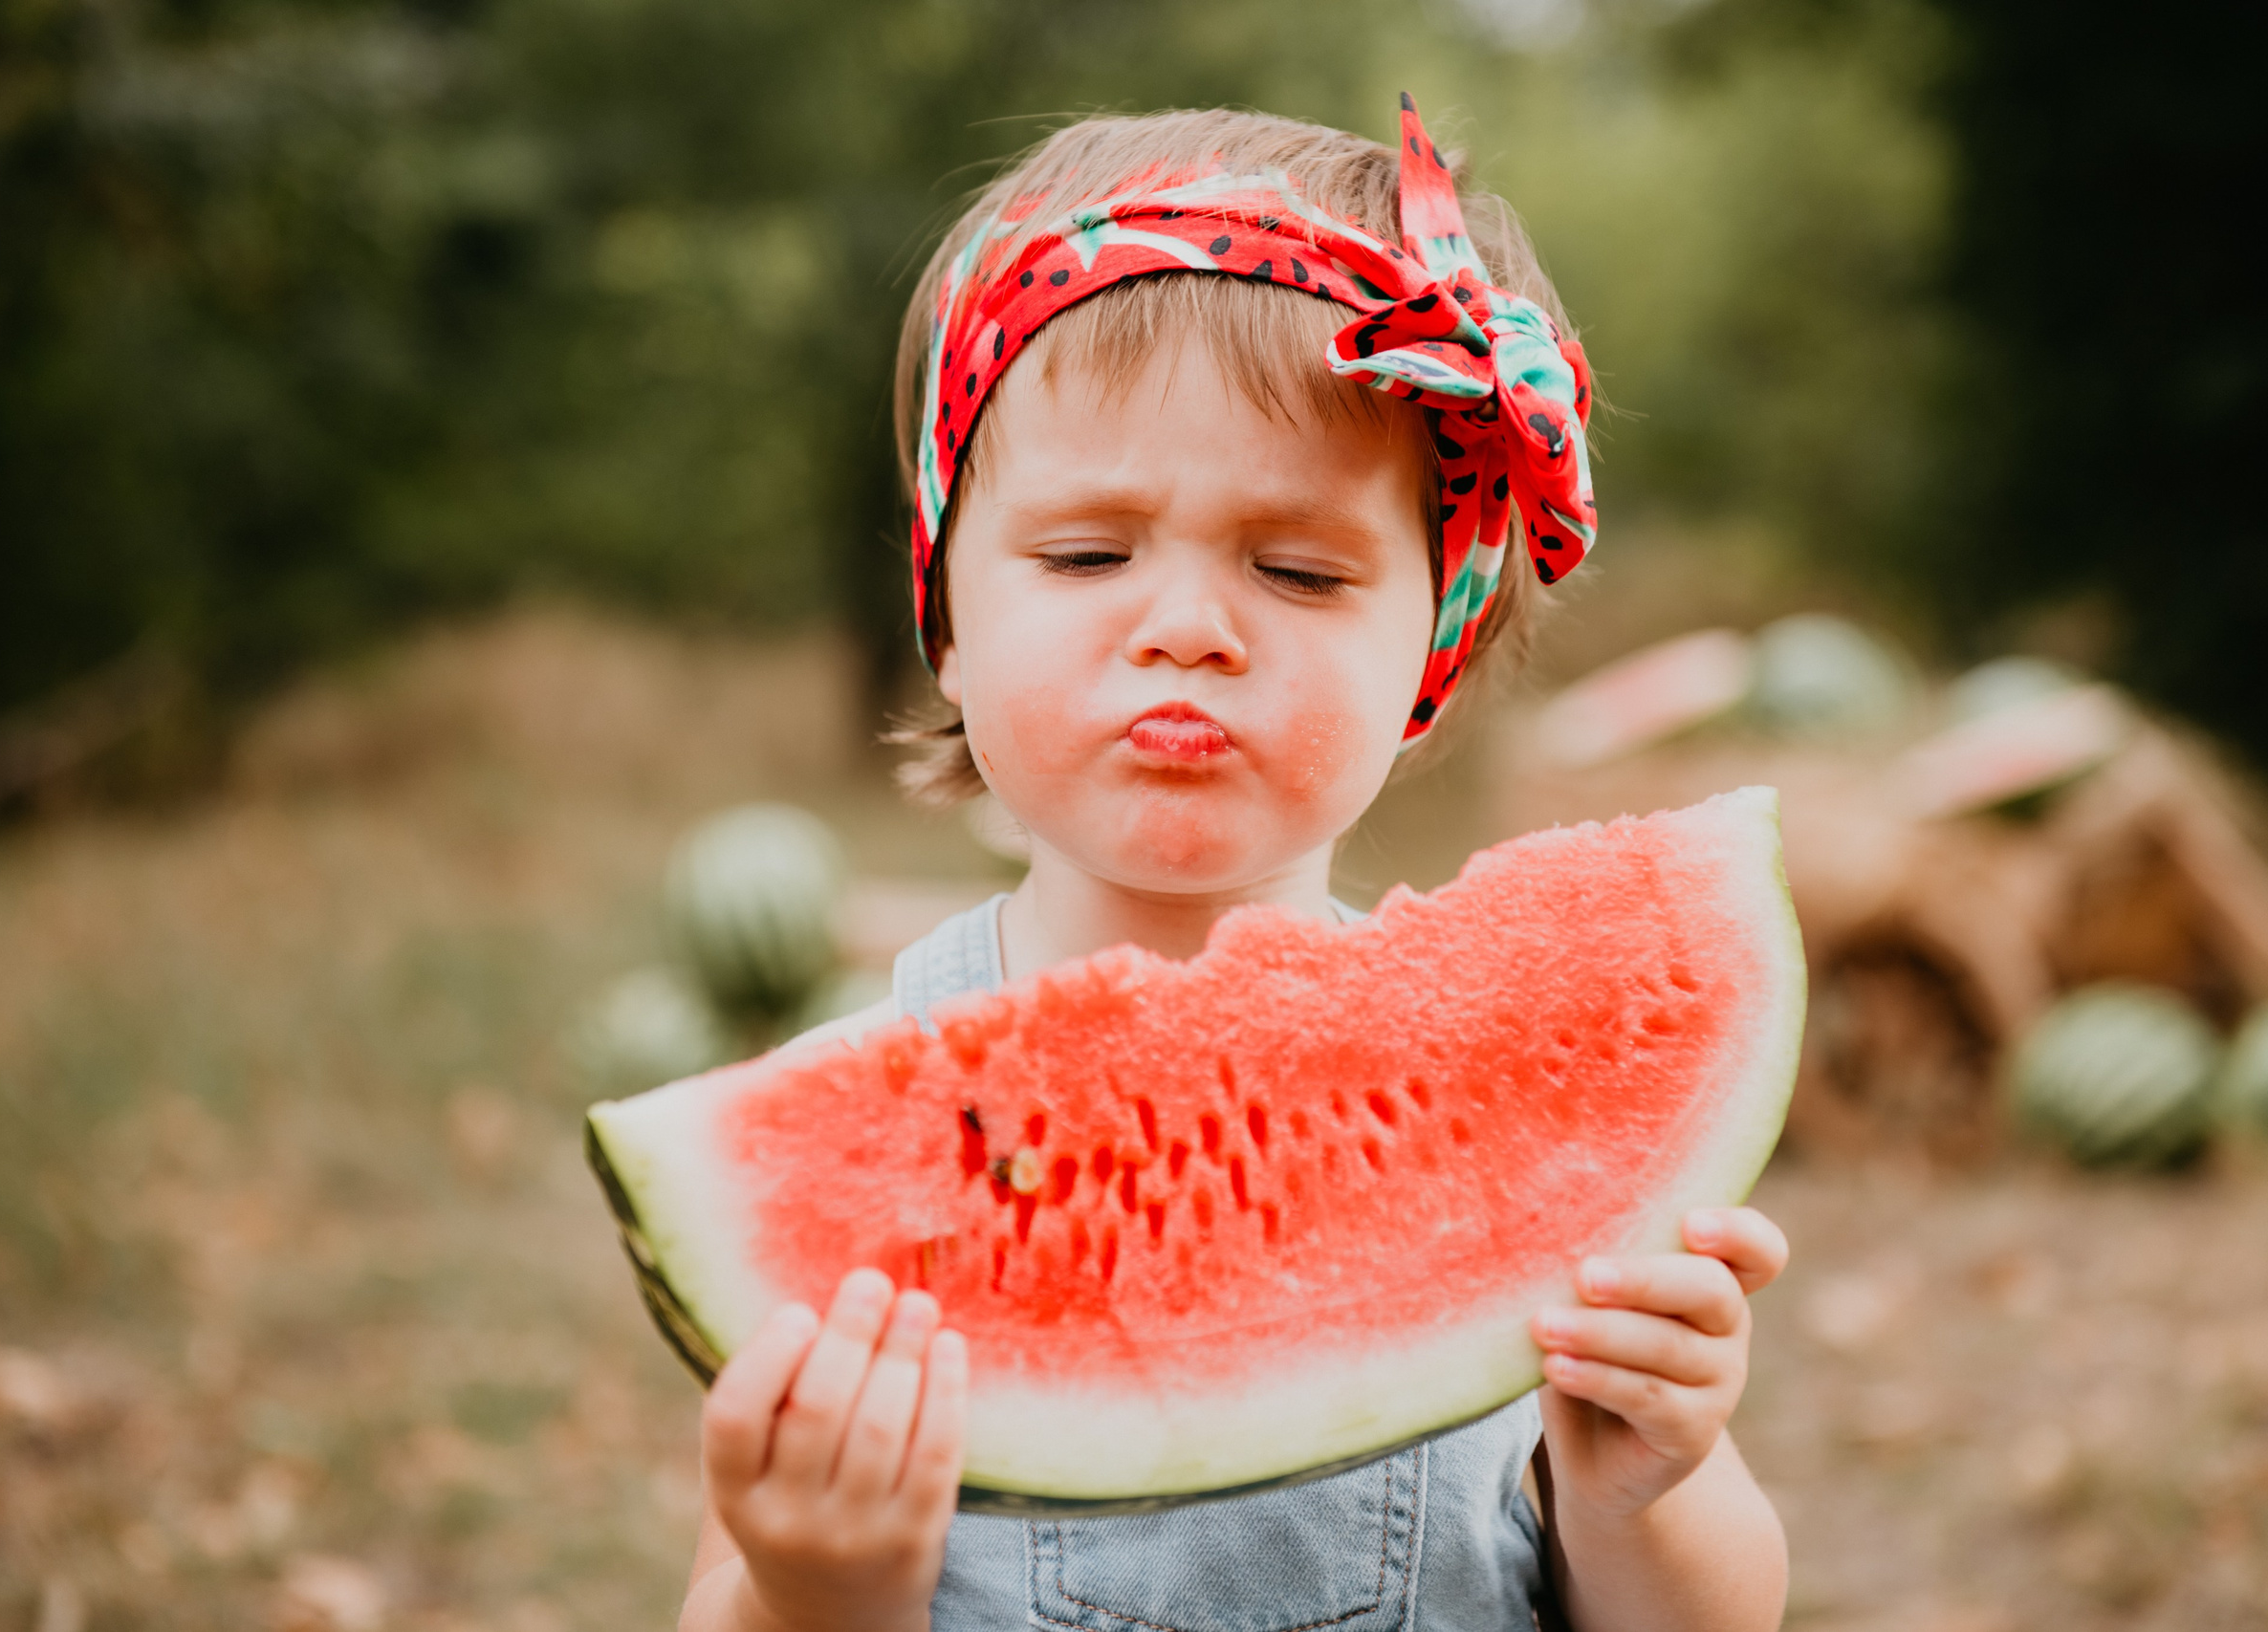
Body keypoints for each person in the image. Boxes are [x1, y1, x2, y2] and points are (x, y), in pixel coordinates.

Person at [677, 98, 1791, 1632]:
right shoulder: (868, 1127)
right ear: (945, 621)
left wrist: (1643, 1489)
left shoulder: (1514, 1120)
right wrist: (817, 1583)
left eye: (1298, 570)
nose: (1187, 627)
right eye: (1085, 556)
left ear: (1434, 653)